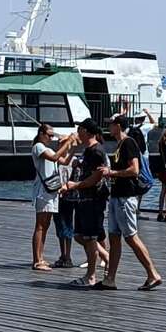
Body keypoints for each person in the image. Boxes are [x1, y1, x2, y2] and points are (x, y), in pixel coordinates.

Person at [100, 115, 163, 291]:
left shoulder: (129, 143)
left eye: (111, 125)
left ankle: (152, 273)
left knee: (130, 236)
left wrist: (111, 173)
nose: (109, 128)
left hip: (125, 197)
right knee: (113, 237)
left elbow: (134, 170)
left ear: (118, 126)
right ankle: (110, 278)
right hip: (116, 196)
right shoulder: (120, 144)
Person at [60, 119, 111, 286]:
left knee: (90, 237)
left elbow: (97, 177)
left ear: (88, 132)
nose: (77, 132)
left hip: (93, 199)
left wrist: (76, 185)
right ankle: (105, 256)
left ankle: (90, 276)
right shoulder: (87, 150)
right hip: (83, 198)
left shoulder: (96, 151)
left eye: (80, 129)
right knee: (79, 236)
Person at [29, 123, 73, 271]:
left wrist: (71, 147)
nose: (51, 138)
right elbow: (54, 158)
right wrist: (67, 142)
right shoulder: (38, 147)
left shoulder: (48, 148)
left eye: (52, 135)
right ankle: (36, 260)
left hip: (51, 191)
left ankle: (40, 257)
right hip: (43, 191)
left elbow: (65, 161)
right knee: (40, 226)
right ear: (41, 134)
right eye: (49, 135)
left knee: (46, 226)